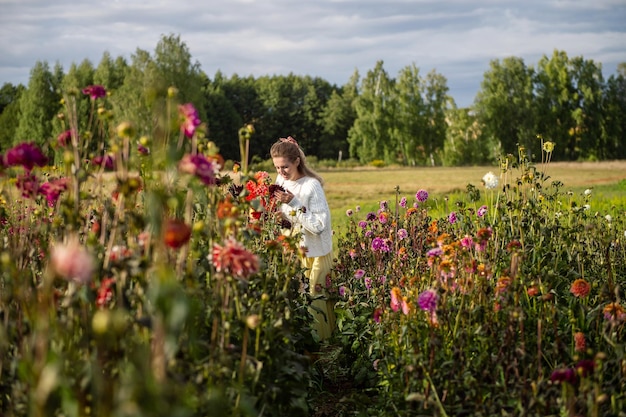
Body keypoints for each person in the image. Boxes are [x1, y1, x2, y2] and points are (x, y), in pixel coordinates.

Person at [270, 136, 335, 341]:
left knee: (316, 301)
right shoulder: (281, 181)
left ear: (297, 161)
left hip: (315, 252)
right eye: (277, 168)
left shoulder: (311, 186)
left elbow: (318, 226)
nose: (280, 173)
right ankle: (305, 345)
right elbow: (287, 216)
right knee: (296, 299)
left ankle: (324, 346)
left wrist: (294, 203)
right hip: (293, 249)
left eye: (285, 167)